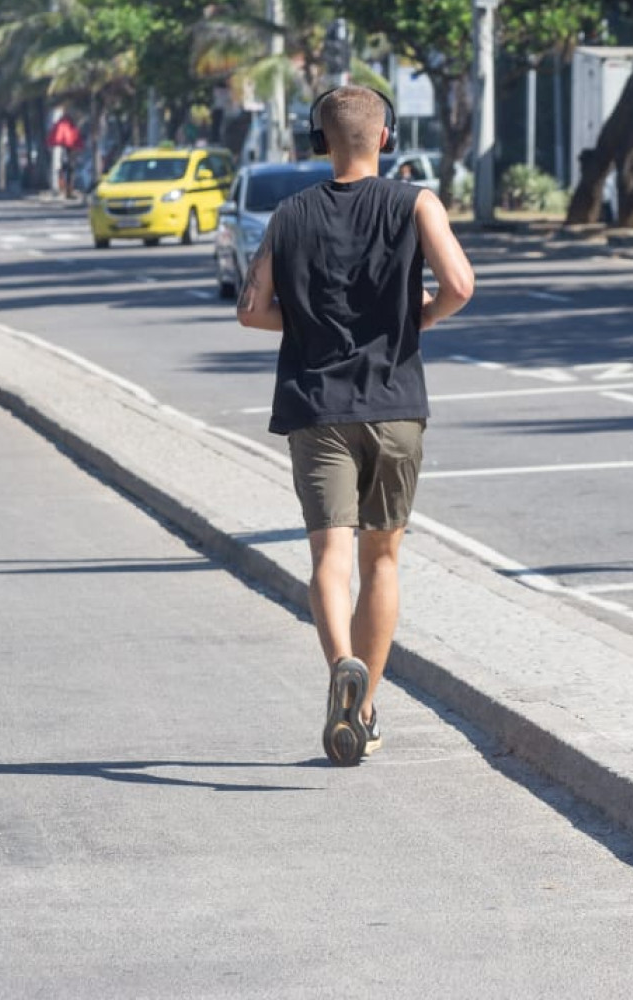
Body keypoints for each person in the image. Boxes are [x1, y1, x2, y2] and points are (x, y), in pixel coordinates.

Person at [235, 86, 475, 766]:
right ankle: (364, 707)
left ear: (321, 143)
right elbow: (460, 285)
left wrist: (305, 325)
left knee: (329, 558)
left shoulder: (289, 214)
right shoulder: (416, 202)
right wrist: (417, 317)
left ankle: (342, 663)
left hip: (317, 408)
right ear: (386, 137)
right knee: (383, 559)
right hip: (395, 404)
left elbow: (251, 310)